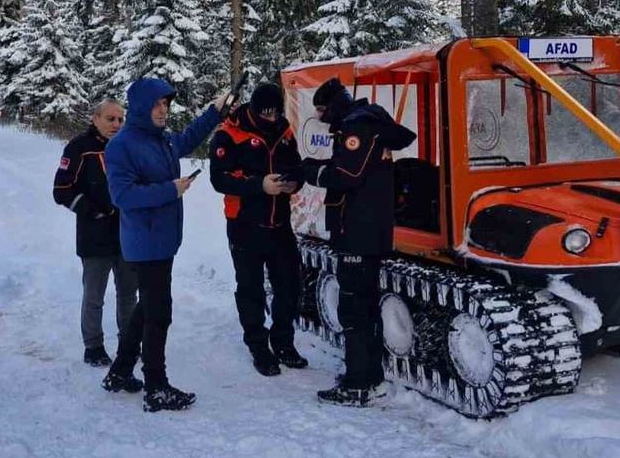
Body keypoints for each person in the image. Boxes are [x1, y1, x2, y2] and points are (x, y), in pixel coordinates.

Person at [101, 78, 227, 412]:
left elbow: (188, 138)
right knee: (159, 313)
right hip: (145, 242)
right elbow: (122, 195)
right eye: (158, 104)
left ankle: (119, 372)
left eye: (167, 105)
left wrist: (214, 112)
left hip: (164, 239)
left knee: (147, 308)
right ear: (142, 106)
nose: (164, 110)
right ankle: (156, 387)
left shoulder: (162, 141)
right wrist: (170, 190)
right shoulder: (121, 146)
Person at [302, 78, 416, 407]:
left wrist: (311, 171)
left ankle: (356, 384)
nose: (321, 117)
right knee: (365, 306)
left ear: (335, 104)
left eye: (323, 110)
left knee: (353, 308)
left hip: (358, 231)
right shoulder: (370, 123)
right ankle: (369, 375)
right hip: (369, 229)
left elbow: (346, 176)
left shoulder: (357, 127)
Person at [209, 83, 308, 377]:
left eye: (275, 113)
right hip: (244, 224)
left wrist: (294, 183)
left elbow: (297, 167)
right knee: (251, 288)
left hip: (280, 223)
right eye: (266, 114)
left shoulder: (284, 130)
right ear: (253, 110)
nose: (271, 118)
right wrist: (259, 185)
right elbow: (219, 179)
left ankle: (283, 342)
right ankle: (257, 345)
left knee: (289, 286)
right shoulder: (229, 133)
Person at [52, 99, 135, 367]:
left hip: (127, 235)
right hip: (94, 236)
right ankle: (93, 346)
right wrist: (93, 210)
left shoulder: (127, 147)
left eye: (120, 120)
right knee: (94, 296)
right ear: (95, 119)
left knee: (128, 295)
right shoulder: (79, 148)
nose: (116, 125)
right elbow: (61, 190)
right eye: (110, 119)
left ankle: (129, 342)